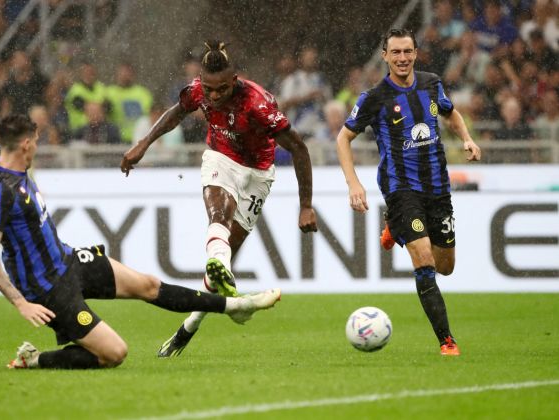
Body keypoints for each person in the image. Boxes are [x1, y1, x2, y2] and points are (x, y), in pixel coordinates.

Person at [0, 113, 281, 370]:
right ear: (25, 144)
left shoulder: (2, 156)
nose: (36, 147)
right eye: (35, 142)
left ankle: (236, 306)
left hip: (68, 260)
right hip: (47, 288)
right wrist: (21, 303)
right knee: (114, 353)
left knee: (147, 285)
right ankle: (34, 359)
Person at [120, 40, 318, 357]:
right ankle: (225, 276)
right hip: (219, 158)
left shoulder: (258, 104)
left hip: (257, 173)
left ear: (235, 78)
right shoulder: (197, 90)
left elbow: (299, 148)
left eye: (221, 89)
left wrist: (306, 205)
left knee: (223, 256)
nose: (213, 96)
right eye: (209, 89)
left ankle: (187, 328)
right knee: (218, 218)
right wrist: (144, 144)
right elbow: (176, 113)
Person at [336, 29, 481, 356]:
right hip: (401, 188)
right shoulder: (374, 98)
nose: (402, 58)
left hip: (438, 187)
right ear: (385, 56)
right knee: (425, 260)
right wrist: (353, 183)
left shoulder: (431, 83)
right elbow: (343, 138)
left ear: (416, 53)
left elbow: (450, 113)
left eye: (408, 52)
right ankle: (447, 340)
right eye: (395, 53)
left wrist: (467, 138)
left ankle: (395, 227)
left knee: (446, 266)